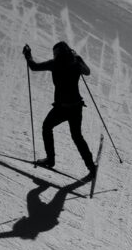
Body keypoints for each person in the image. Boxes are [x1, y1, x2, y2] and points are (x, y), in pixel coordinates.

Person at [23, 41, 96, 178]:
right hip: (76, 107)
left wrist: (28, 54)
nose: (54, 55)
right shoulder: (76, 60)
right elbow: (87, 72)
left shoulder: (54, 63)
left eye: (55, 53)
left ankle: (50, 159)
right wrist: (78, 61)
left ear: (58, 53)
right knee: (77, 136)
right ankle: (91, 166)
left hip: (62, 108)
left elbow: (33, 67)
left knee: (47, 127)